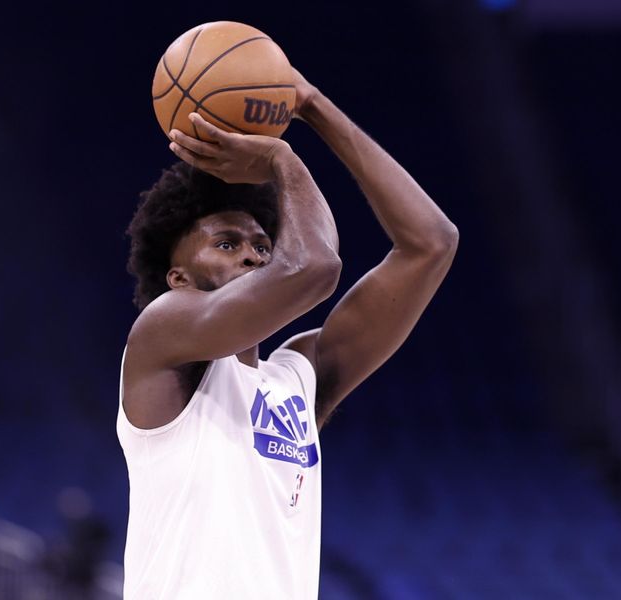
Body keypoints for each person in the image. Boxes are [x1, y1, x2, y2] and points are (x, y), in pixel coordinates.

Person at [117, 67, 458, 599]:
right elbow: (314, 266)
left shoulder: (297, 377)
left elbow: (431, 242)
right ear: (177, 278)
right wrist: (282, 158)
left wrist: (314, 104)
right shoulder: (160, 333)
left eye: (260, 244)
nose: (253, 253)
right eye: (226, 244)